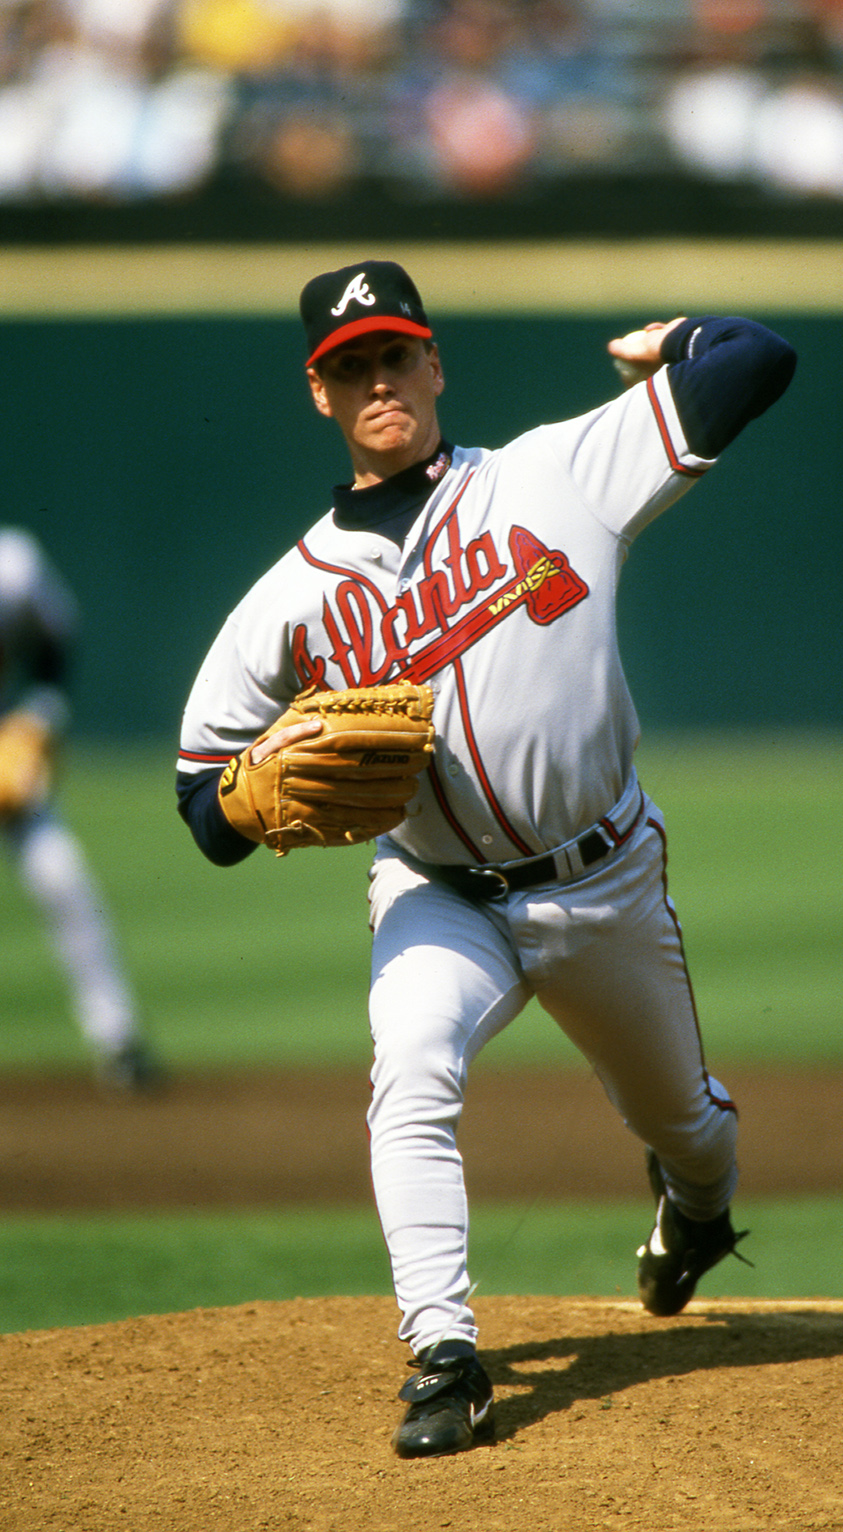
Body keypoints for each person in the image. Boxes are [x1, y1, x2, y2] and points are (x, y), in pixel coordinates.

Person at [175, 260, 796, 1457]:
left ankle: (696, 1209)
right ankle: (445, 1358)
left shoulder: (554, 472)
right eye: (347, 367)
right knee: (409, 1067)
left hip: (604, 877)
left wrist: (676, 340)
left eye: (394, 355)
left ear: (435, 362)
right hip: (436, 892)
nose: (376, 380)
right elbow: (201, 801)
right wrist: (247, 800)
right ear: (320, 395)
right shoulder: (287, 600)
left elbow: (761, 360)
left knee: (689, 1125)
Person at [1, 526, 166, 1093]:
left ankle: (118, 1040)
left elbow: (54, 641)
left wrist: (38, 716)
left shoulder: (13, 564)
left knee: (62, 879)